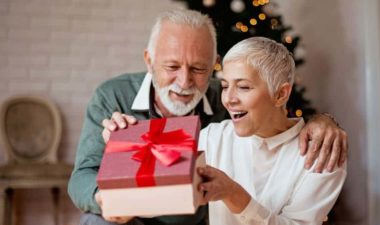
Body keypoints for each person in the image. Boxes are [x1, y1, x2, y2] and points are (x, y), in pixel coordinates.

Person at [68, 9, 348, 225]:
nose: (185, 81)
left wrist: (323, 120)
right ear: (149, 61)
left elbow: (273, 112)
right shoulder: (114, 96)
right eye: (172, 66)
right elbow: (163, 156)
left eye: (199, 69)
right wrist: (122, 140)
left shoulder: (225, 101)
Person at [197, 37, 346, 225]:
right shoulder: (213, 138)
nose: (229, 99)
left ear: (280, 94)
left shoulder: (322, 153)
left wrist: (232, 193)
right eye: (225, 86)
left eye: (243, 87)